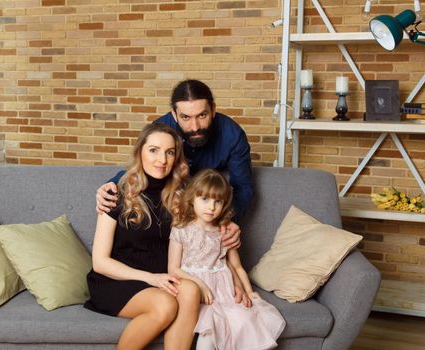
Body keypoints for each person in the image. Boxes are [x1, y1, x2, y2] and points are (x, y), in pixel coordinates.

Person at [84, 123, 200, 350]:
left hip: (162, 279)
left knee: (191, 289)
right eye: (154, 150)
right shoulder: (115, 193)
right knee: (165, 305)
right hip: (116, 280)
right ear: (140, 153)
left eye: (169, 152)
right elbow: (100, 262)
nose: (162, 160)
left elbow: (208, 228)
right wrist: (151, 278)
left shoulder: (183, 196)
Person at [96, 79, 253, 244]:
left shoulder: (233, 135)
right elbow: (143, 165)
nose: (195, 127)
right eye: (185, 117)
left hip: (205, 204)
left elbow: (243, 187)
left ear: (213, 110)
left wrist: (228, 220)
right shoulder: (161, 128)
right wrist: (111, 186)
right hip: (173, 199)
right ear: (174, 115)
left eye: (202, 115)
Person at [168, 169, 285, 350]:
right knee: (208, 329)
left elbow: (237, 267)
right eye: (204, 199)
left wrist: (248, 291)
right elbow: (173, 269)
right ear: (192, 198)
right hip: (195, 292)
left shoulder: (224, 232)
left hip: (223, 293)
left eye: (218, 201)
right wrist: (199, 284)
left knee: (233, 325)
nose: (211, 207)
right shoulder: (181, 229)